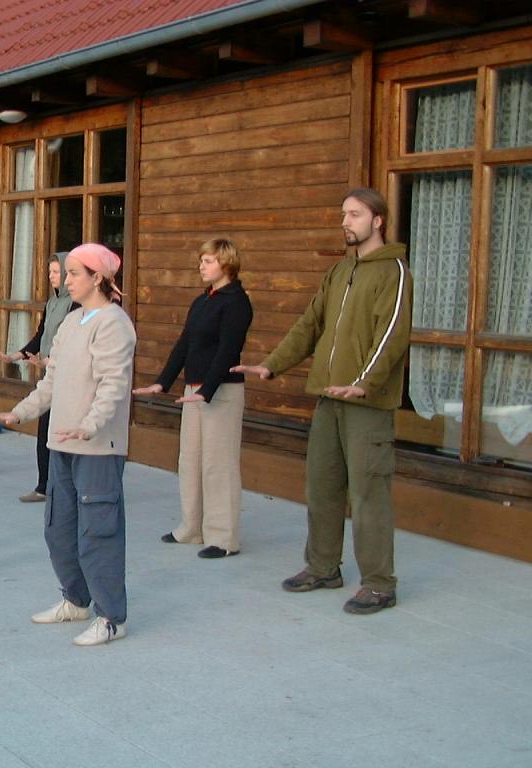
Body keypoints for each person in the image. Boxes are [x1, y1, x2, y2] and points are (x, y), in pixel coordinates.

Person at [232, 187, 411, 615]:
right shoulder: (339, 271)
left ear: (378, 220)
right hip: (329, 398)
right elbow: (310, 325)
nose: (345, 222)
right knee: (322, 486)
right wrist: (272, 365)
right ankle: (323, 567)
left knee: (368, 494)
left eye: (354, 214)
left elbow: (392, 335)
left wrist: (365, 383)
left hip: (367, 404)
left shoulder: (394, 271)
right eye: (343, 214)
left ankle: (379, 584)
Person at [0, 243, 135, 645]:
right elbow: (50, 383)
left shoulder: (114, 324)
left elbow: (113, 385)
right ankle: (76, 599)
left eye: (74, 273)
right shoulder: (70, 322)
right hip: (61, 445)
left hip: (97, 448)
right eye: (66, 273)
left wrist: (89, 425)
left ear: (98, 278)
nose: (66, 280)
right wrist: (18, 413)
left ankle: (111, 617)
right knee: (59, 529)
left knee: (97, 533)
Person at [133, 238, 253, 559]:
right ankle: (192, 527)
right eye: (201, 260)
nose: (202, 266)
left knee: (218, 464)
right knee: (190, 460)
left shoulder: (237, 302)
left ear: (226, 264)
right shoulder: (202, 301)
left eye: (208, 261)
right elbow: (184, 344)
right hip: (194, 392)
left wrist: (206, 390)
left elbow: (228, 350)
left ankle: (223, 538)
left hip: (221, 392)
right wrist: (163, 383)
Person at [0, 251, 77, 502]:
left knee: (61, 433)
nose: (51, 276)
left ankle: (64, 487)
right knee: (44, 432)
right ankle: (43, 486)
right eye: (50, 272)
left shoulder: (76, 304)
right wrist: (13, 357)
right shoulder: (52, 303)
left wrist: (50, 361)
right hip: (49, 374)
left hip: (67, 376)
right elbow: (40, 337)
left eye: (56, 272)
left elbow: (71, 344)